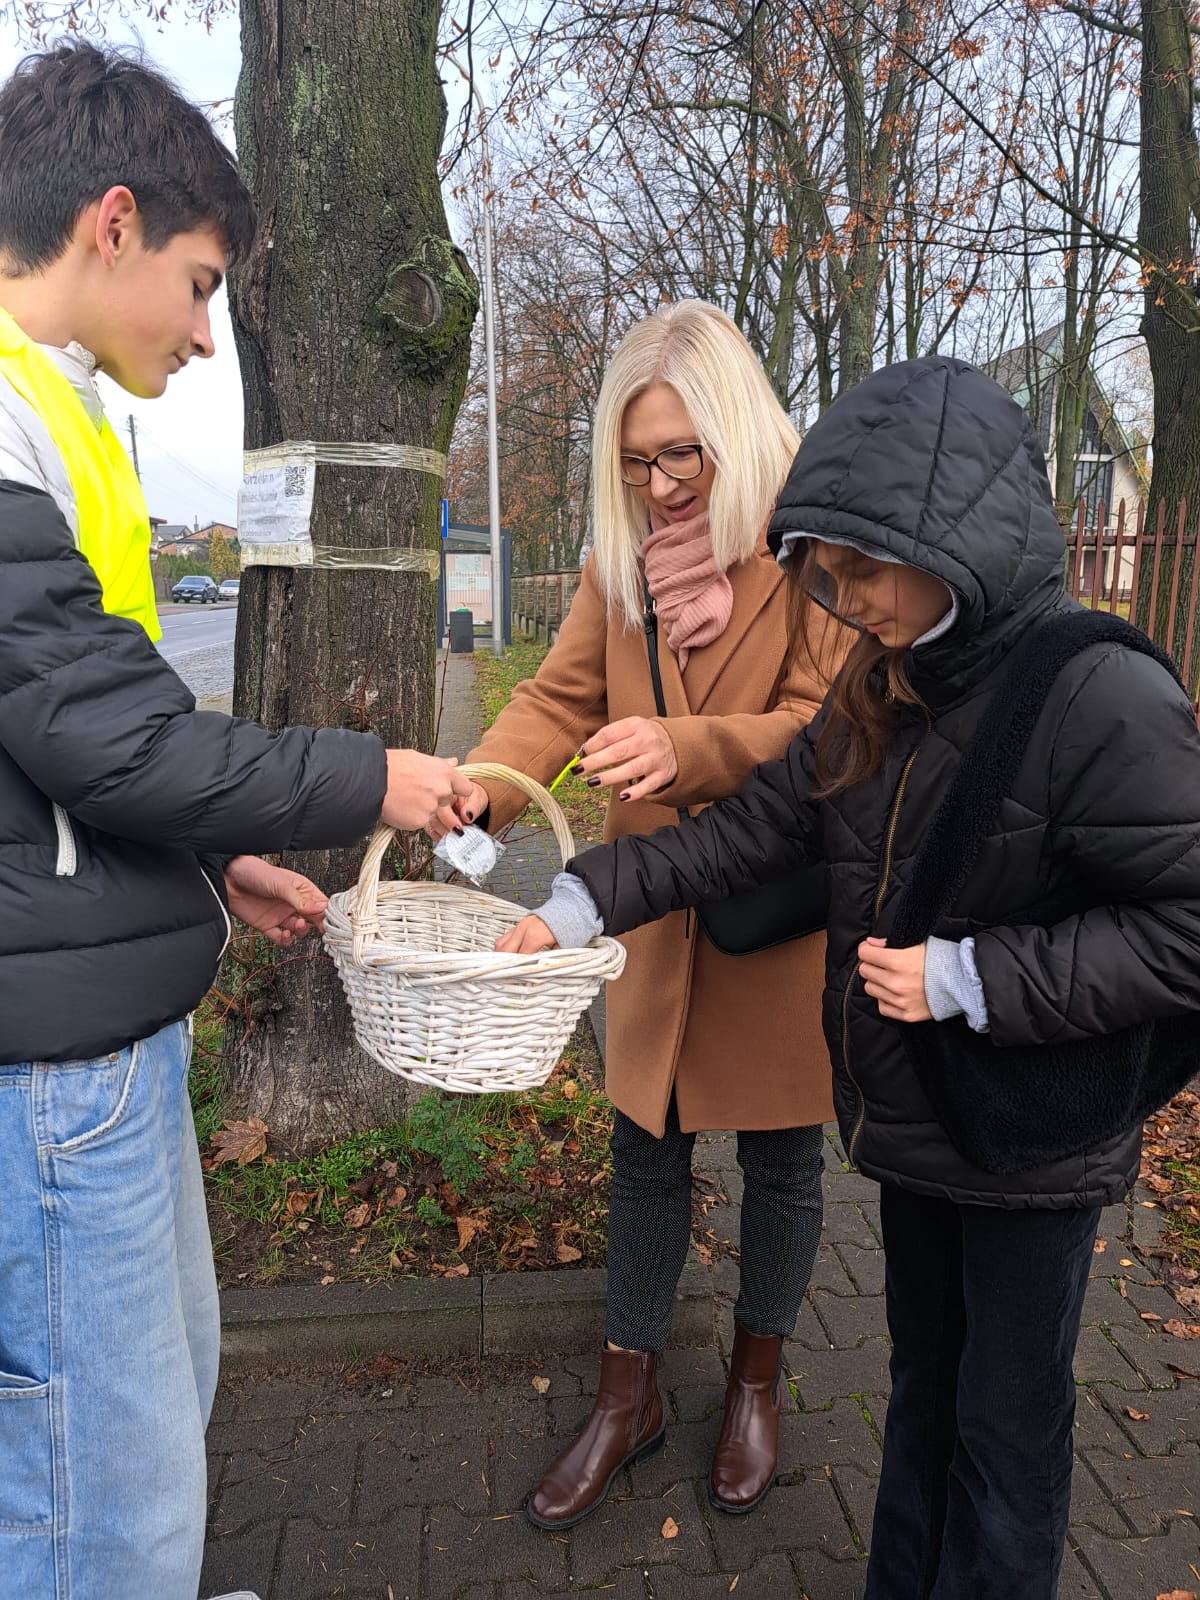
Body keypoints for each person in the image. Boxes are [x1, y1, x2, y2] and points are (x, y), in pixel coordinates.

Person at [501, 355, 1200, 1597]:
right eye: (823, 566)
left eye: (862, 566)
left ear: (956, 540)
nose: (841, 596)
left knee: (1007, 1434)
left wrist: (973, 976)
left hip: (1032, 1140)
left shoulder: (1102, 692)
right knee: (924, 1399)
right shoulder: (889, 681)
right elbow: (752, 828)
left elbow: (1183, 930)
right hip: (922, 1123)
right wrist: (573, 903)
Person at [0, 43, 470, 1600]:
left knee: (149, 1413)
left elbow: (73, 742)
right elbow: (115, 745)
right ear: (111, 223)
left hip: (98, 1031)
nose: (207, 337)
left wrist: (221, 855)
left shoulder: (58, 416)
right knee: (99, 1492)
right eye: (200, 286)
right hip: (50, 1074)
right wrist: (368, 780)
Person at [436, 300, 844, 1528]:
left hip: (771, 914)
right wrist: (485, 794)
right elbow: (557, 701)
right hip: (647, 917)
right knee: (643, 1154)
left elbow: (831, 729)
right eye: (635, 459)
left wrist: (690, 745)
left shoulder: (812, 552)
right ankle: (630, 1395)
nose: (660, 484)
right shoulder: (620, 570)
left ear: (734, 432)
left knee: (782, 1160)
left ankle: (756, 1382)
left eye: (682, 455)